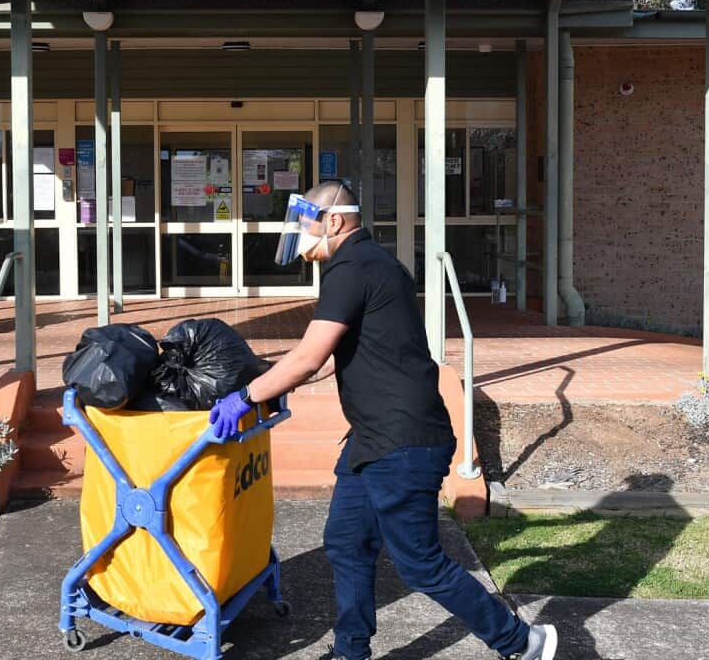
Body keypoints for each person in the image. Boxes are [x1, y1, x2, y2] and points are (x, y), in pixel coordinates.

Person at [208, 181, 557, 660]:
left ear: (334, 221)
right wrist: (281, 382)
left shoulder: (352, 268)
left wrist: (245, 397)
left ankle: (523, 643)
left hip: (403, 441)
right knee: (346, 542)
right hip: (373, 438)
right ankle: (351, 651)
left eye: (306, 225)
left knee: (420, 565)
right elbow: (338, 355)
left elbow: (310, 355)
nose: (301, 236)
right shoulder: (370, 264)